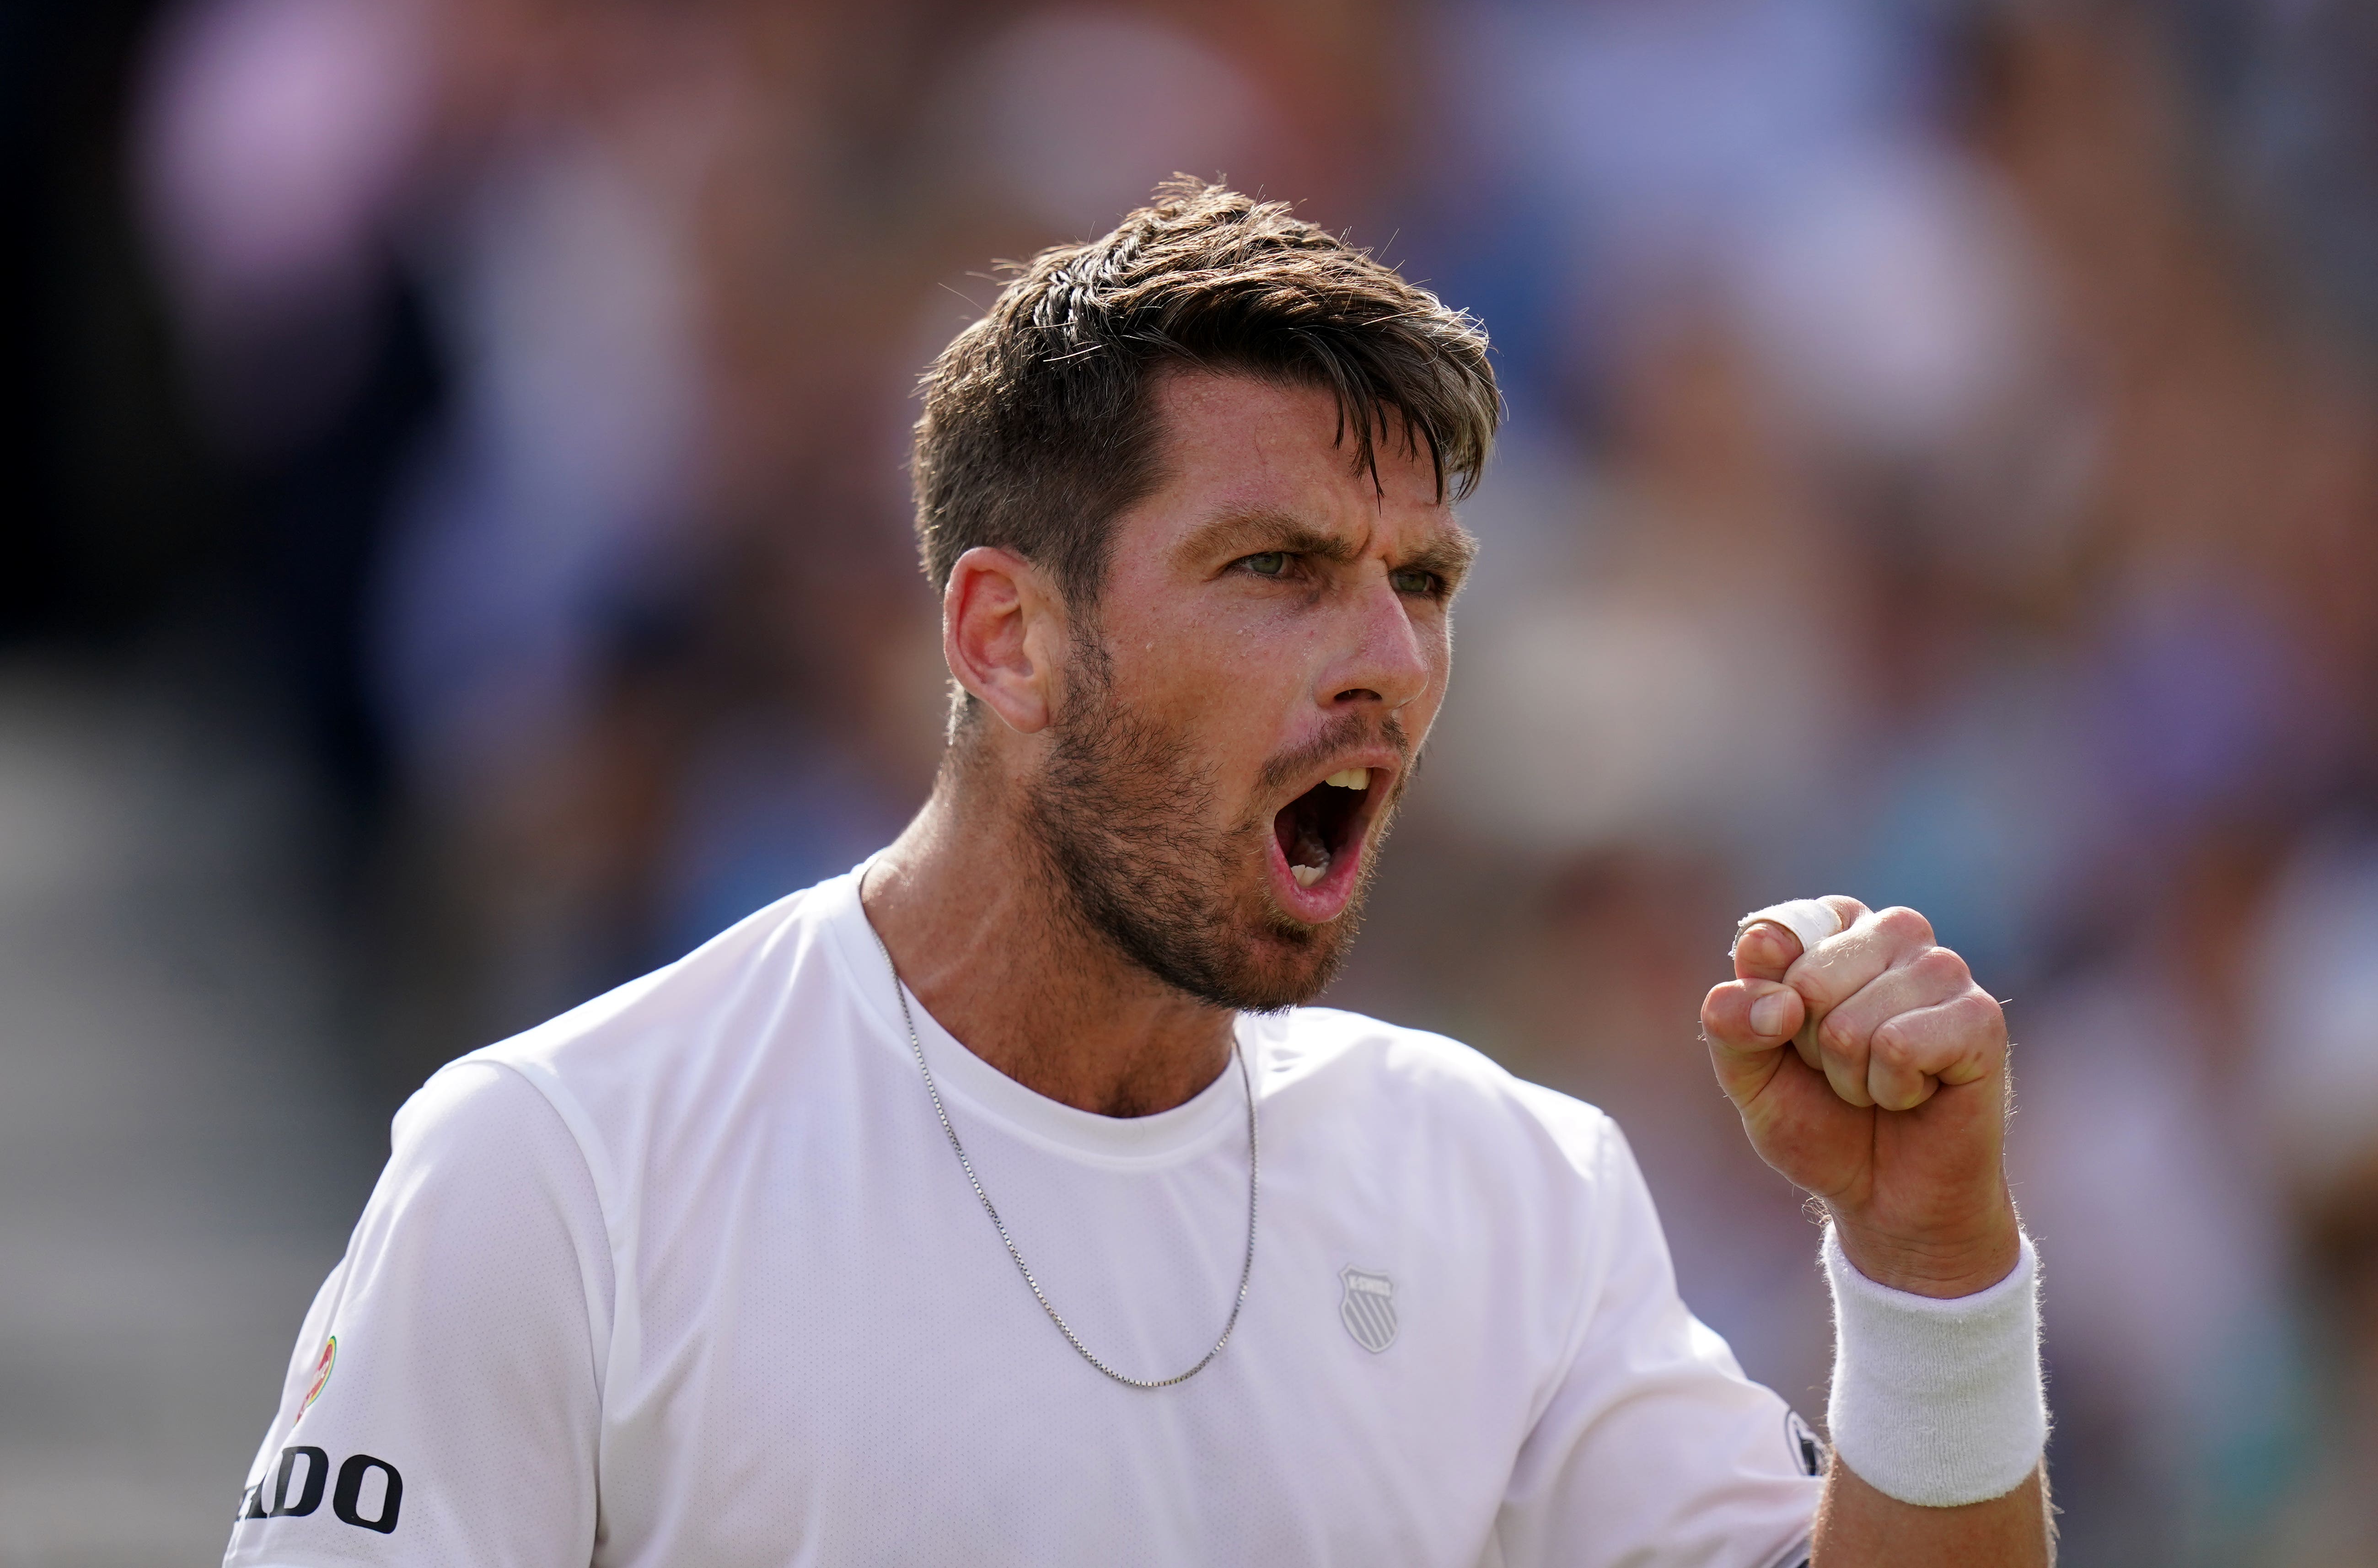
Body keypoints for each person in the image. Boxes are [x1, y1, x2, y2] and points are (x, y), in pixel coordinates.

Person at [223, 183, 2051, 1566]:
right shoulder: (560, 1166)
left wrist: (1927, 1265)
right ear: (1005, 638)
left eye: (1420, 584)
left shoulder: (1512, 1188)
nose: (1391, 666)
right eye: (1275, 568)